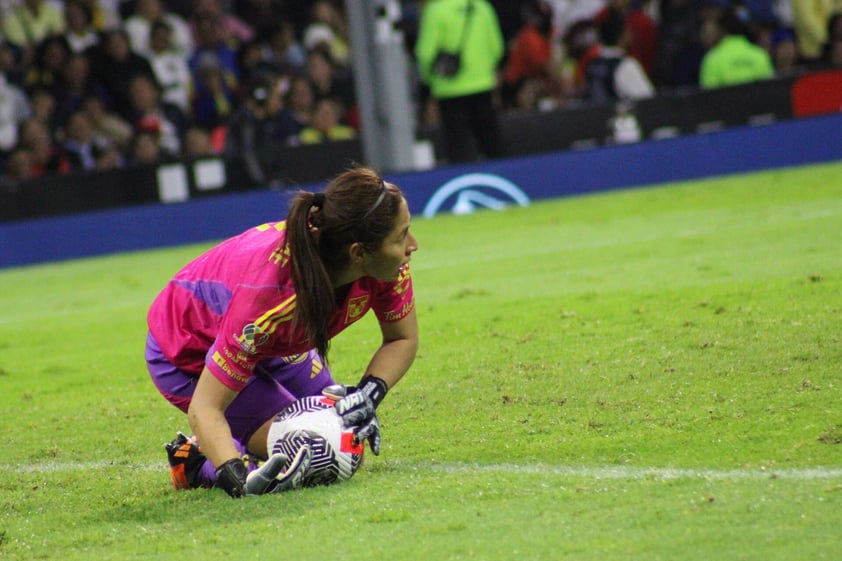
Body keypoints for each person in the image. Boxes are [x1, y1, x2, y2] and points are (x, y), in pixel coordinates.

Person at [146, 166, 419, 497]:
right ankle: (192, 463)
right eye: (401, 236)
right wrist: (236, 480)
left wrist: (367, 395)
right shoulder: (270, 300)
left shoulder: (383, 268)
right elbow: (206, 408)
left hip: (265, 343)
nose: (413, 245)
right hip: (186, 350)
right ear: (359, 253)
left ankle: (230, 444)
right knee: (310, 448)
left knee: (342, 442)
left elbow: (401, 338)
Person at [414, 0, 506, 164]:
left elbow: (424, 53)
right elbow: (497, 47)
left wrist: (432, 80)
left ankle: (463, 183)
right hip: (483, 86)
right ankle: (503, 179)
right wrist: (484, 70)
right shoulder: (482, 7)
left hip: (449, 91)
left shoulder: (435, 11)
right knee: (492, 144)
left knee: (458, 148)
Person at [699, 6, 775, 88]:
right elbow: (770, 92)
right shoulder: (761, 55)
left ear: (722, 30)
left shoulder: (713, 59)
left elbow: (708, 98)